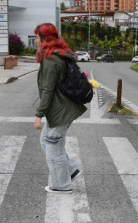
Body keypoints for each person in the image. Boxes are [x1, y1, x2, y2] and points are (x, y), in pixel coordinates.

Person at [34, 23, 87, 194]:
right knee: (47, 141)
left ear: (45, 39)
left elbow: (48, 90)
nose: (35, 40)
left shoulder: (50, 59)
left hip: (60, 110)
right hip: (64, 108)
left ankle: (61, 185)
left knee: (53, 148)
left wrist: (38, 115)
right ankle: (70, 169)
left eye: (37, 37)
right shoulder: (59, 54)